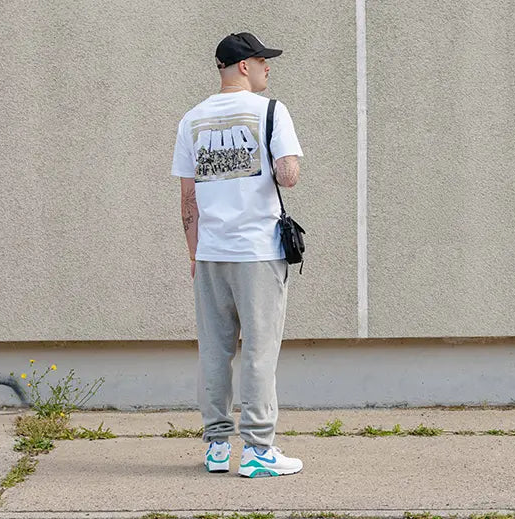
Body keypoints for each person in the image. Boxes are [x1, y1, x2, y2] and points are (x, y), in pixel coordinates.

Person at [170, 32, 304, 478]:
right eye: (265, 61)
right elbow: (288, 176)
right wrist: (283, 161)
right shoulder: (271, 111)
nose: (270, 68)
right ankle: (260, 451)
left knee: (214, 351)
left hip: (210, 254)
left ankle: (216, 447)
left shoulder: (192, 119)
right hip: (258, 252)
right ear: (245, 65)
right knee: (259, 352)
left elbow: (187, 198)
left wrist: (194, 254)